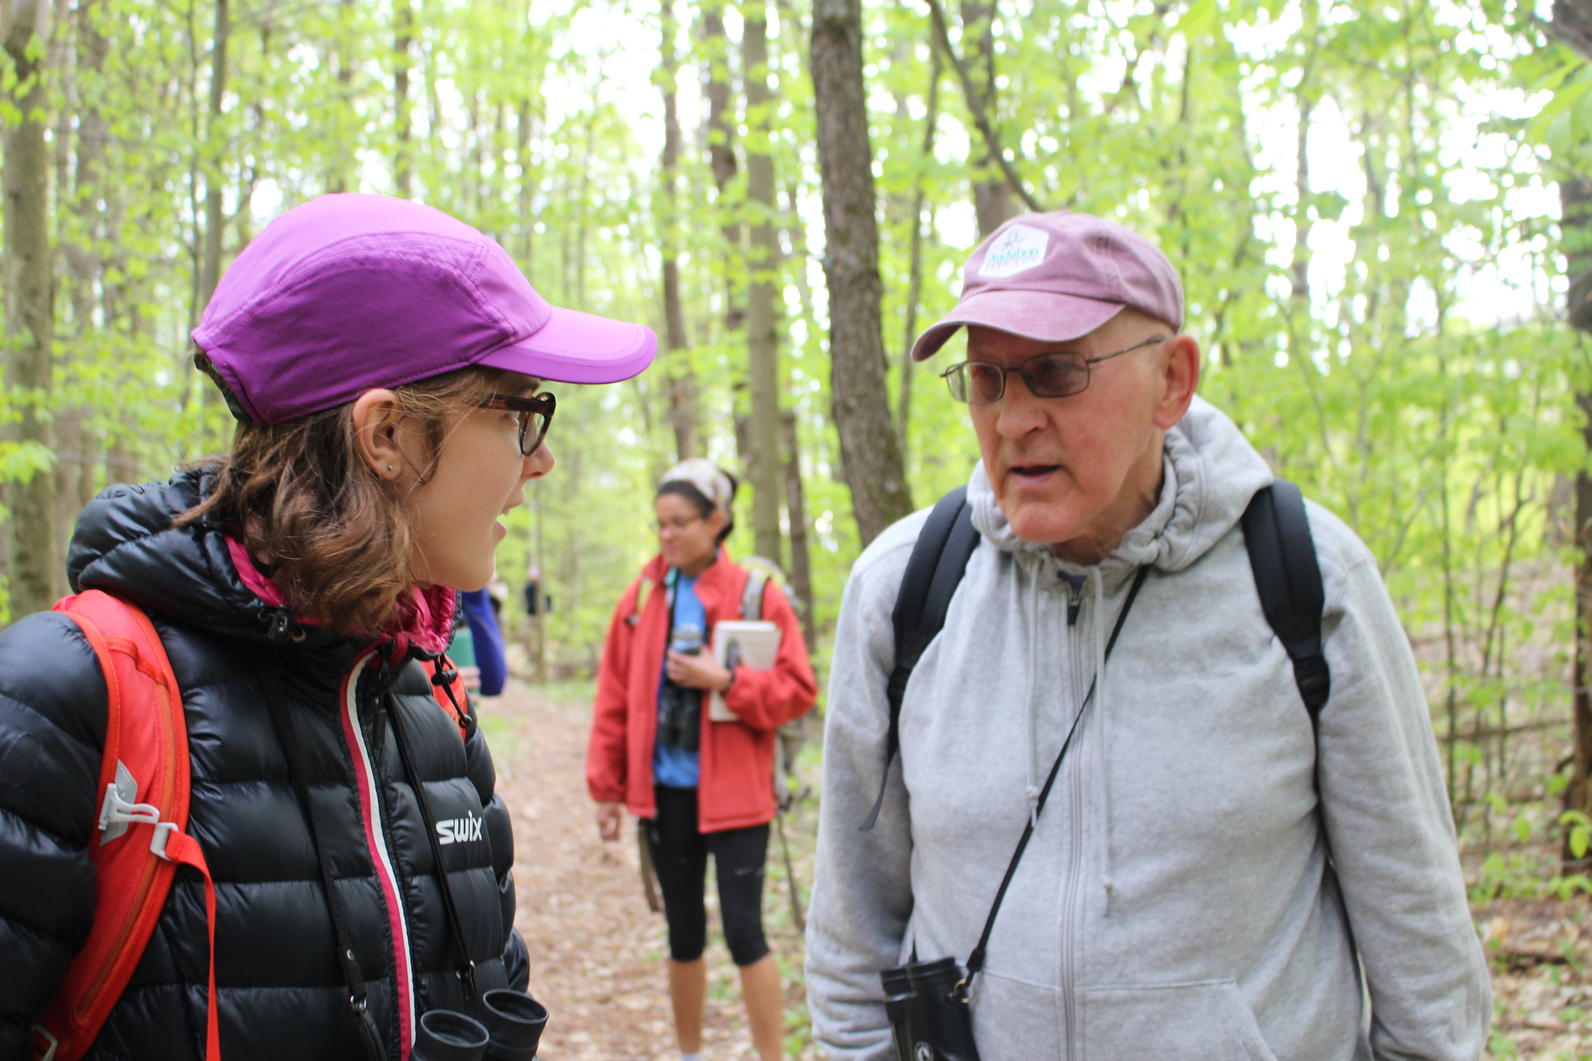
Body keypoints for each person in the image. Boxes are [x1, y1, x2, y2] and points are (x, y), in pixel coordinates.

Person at [803, 211, 1491, 1059]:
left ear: (1173, 380)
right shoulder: (905, 588)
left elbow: (1423, 948)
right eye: (987, 377)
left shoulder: (1306, 580)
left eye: (1054, 371)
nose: (1013, 418)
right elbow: (850, 937)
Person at [0, 192, 655, 1060]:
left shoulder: (429, 699)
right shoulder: (65, 700)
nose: (541, 458)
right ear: (386, 433)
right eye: (517, 410)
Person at [586, 460, 817, 1061]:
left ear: (718, 521)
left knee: (746, 935)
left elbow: (797, 690)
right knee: (682, 933)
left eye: (680, 523)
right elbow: (614, 696)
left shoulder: (757, 595)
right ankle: (688, 1054)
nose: (667, 536)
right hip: (664, 794)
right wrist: (606, 788)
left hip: (739, 796)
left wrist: (727, 680)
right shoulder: (641, 597)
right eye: (661, 524)